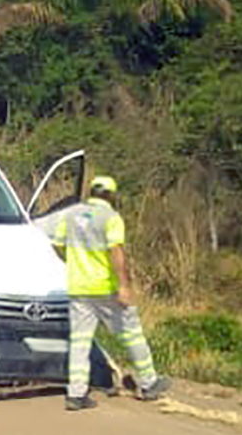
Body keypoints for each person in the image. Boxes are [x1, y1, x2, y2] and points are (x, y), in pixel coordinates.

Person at [50, 175, 171, 411]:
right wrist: (124, 286)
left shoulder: (71, 215)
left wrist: (73, 263)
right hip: (105, 288)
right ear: (112, 195)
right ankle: (149, 383)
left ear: (91, 192)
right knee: (132, 334)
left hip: (78, 288)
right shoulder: (111, 218)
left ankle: (76, 394)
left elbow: (57, 244)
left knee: (80, 342)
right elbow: (116, 253)